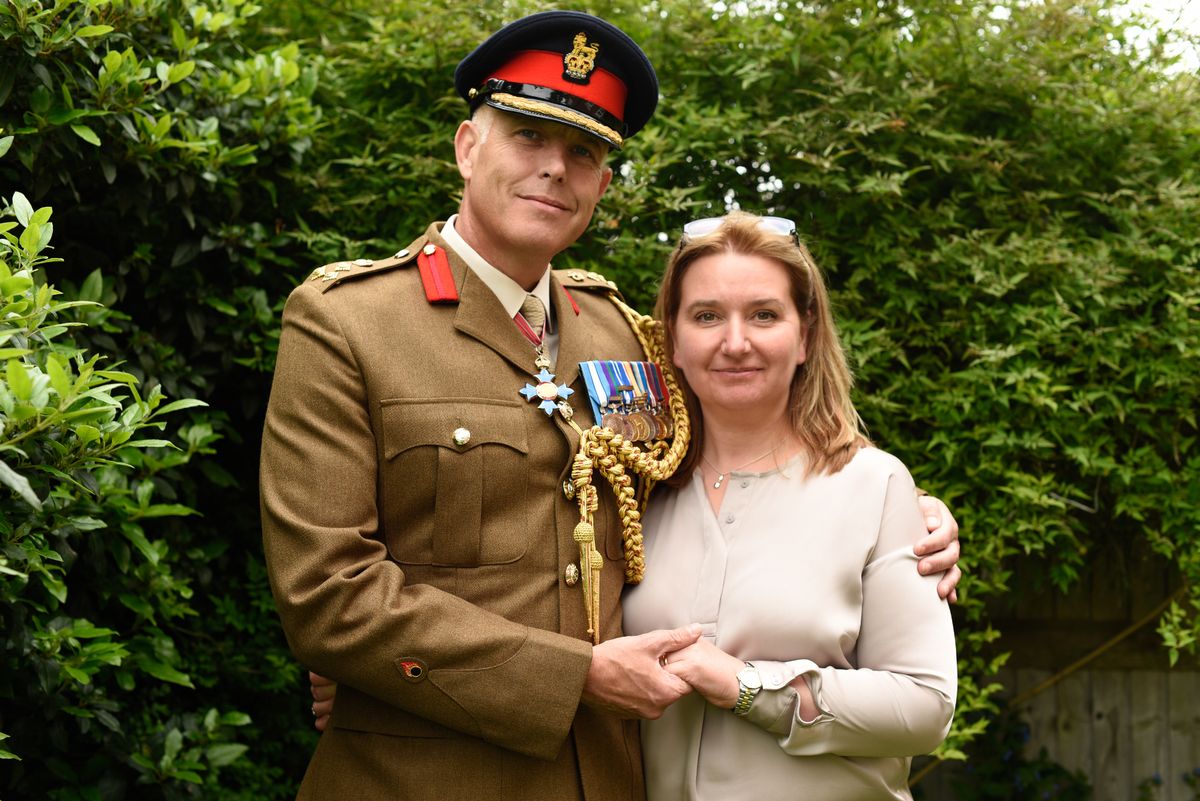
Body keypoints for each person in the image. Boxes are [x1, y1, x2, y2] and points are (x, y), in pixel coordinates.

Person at [264, 11, 961, 801]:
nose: (556, 168)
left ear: (601, 183)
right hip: (419, 775)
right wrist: (574, 676)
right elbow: (326, 593)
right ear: (467, 147)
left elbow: (731, 468)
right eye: (528, 135)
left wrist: (905, 520)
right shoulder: (348, 321)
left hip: (607, 778)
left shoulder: (625, 336)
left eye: (584, 151)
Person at [622, 212, 956, 799]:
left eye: (764, 315)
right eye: (706, 316)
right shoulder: (632, 490)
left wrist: (747, 686)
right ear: (672, 338)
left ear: (805, 336)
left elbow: (926, 706)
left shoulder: (874, 487)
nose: (735, 342)